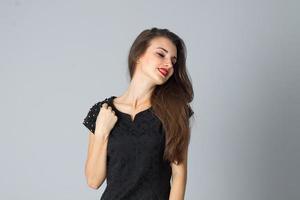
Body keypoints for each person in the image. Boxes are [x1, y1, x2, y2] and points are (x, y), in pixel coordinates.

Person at [82, 27, 194, 200]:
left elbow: (179, 176)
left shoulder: (175, 112)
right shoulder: (102, 112)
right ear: (138, 55)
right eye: (161, 54)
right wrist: (102, 133)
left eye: (173, 60)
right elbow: (93, 180)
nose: (169, 64)